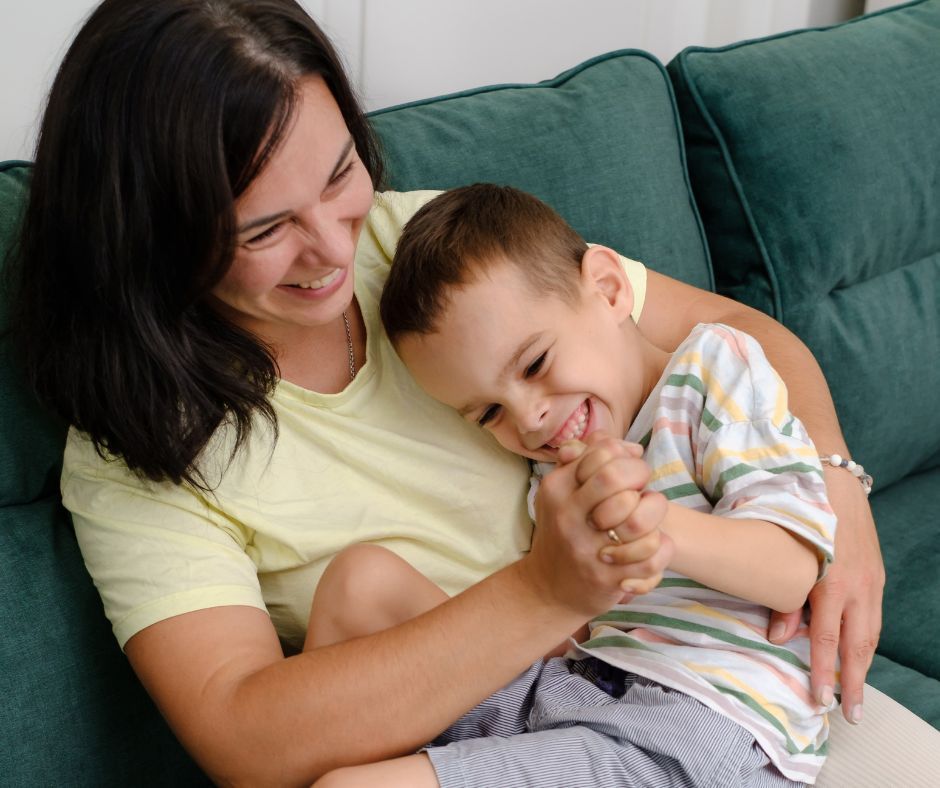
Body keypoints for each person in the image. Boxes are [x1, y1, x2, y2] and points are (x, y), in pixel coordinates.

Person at [5, 0, 887, 784]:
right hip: (553, 682)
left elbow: (743, 340)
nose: (331, 252)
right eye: (266, 229)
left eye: (341, 173)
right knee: (359, 590)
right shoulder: (143, 445)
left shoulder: (425, 256)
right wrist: (551, 589)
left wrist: (834, 502)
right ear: (151, 240)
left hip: (686, 684)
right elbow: (244, 738)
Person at [308, 183, 835, 786]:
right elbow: (581, 628)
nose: (528, 418)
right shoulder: (556, 469)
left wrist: (653, 521)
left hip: (708, 722)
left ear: (609, 289)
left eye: (534, 365)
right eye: (488, 414)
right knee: (361, 583)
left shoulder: (712, 368)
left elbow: (794, 572)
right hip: (583, 689)